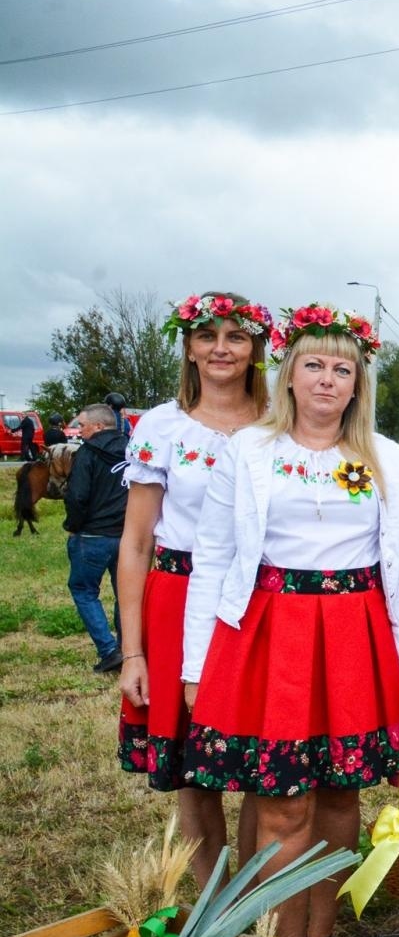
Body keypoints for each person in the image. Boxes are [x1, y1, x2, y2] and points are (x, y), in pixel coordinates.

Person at [182, 303, 399, 937]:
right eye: (313, 363)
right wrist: (197, 664)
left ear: (357, 384)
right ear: (289, 374)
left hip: (354, 631)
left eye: (341, 368)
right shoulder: (249, 451)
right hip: (272, 632)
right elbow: (213, 558)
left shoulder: (385, 454)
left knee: (341, 791)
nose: (326, 378)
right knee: (281, 801)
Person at [118, 292, 272, 887]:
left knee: (263, 755)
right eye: (208, 336)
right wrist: (134, 651)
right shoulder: (163, 427)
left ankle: (259, 898)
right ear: (189, 347)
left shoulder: (276, 425)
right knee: (191, 767)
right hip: (178, 595)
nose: (221, 348)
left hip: (258, 597)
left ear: (256, 347)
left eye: (235, 336)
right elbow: (135, 545)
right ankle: (213, 902)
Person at [63, 402, 129, 674]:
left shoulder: (87, 454)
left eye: (82, 425)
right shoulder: (133, 450)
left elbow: (78, 496)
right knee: (124, 593)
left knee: (84, 590)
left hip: (92, 535)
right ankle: (128, 648)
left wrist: (72, 525)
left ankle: (109, 650)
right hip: (126, 536)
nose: (79, 430)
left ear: (99, 426)